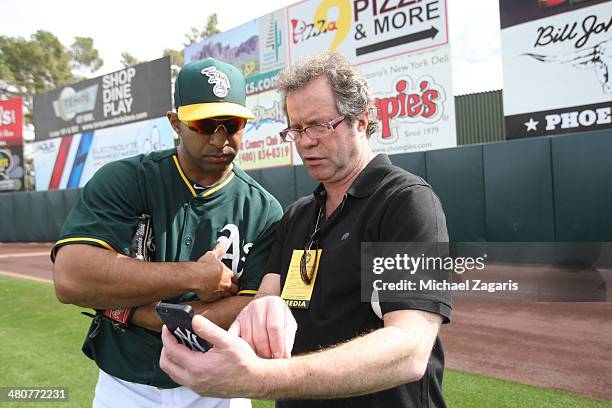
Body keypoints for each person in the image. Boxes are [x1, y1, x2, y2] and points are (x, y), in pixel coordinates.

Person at [159, 52, 452, 407]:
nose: (305, 141)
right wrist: (238, 327)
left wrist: (260, 379)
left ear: (361, 121)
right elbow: (267, 304)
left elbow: (410, 349)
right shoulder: (299, 216)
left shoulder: (404, 202)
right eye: (296, 129)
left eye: (318, 126)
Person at [52, 58, 283, 408]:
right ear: (175, 123)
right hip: (127, 385)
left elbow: (249, 310)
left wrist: (134, 311)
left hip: (219, 387)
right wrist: (194, 276)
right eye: (205, 124)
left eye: (232, 124)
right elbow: (71, 277)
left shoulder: (264, 209)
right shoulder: (127, 180)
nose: (220, 139)